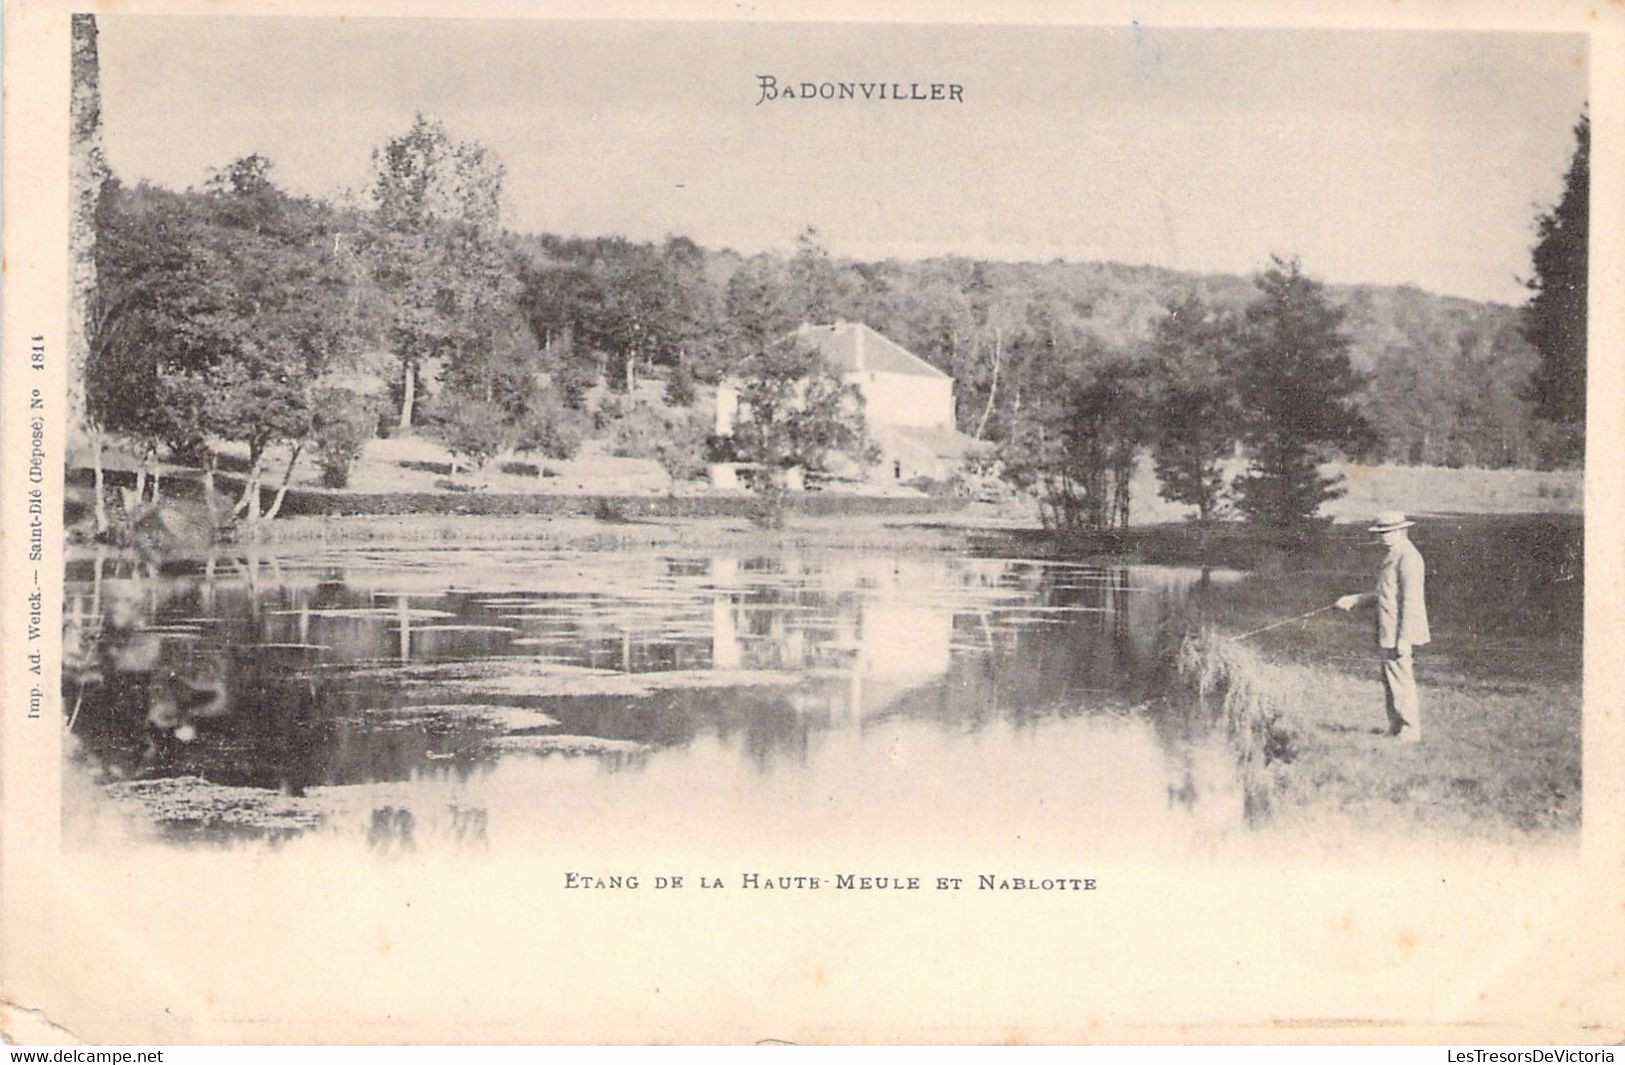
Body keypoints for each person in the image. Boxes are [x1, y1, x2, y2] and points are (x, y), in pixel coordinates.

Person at [1335, 511, 1431, 743]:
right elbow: (1383, 594)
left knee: (1401, 678)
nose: (1382, 538)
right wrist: (1356, 600)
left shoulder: (1409, 558)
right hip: (1387, 629)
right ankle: (1396, 725)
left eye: (1386, 533)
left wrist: (1405, 639)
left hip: (1399, 631)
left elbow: (1411, 601)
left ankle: (1411, 729)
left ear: (1401, 531)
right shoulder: (1394, 554)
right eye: (1380, 533)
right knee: (1390, 677)